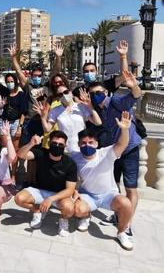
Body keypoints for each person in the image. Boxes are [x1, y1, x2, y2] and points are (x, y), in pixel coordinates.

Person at [87, 69, 142, 237]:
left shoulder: (116, 101)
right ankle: (118, 216)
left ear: (105, 92)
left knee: (130, 188)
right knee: (115, 186)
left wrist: (134, 86)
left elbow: (135, 96)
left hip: (130, 150)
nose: (96, 95)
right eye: (93, 94)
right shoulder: (99, 109)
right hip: (115, 151)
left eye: (99, 92)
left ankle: (127, 224)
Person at [72, 112, 134, 250]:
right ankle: (86, 216)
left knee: (126, 204)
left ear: (97, 143)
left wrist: (124, 129)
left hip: (108, 195)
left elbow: (122, 144)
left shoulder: (106, 153)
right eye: (83, 143)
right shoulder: (74, 157)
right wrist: (75, 190)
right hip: (88, 195)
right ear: (78, 144)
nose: (86, 145)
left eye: (90, 142)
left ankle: (122, 232)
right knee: (77, 209)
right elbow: (70, 177)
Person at [14, 131, 77, 237]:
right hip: (39, 190)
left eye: (61, 144)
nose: (57, 146)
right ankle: (37, 211)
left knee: (69, 208)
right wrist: (31, 144)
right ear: (49, 143)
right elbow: (21, 155)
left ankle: (63, 221)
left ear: (65, 146)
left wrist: (51, 199)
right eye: (54, 143)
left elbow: (70, 190)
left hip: (58, 194)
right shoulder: (41, 153)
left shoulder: (70, 164)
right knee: (19, 198)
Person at [8, 42, 62, 146]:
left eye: (39, 75)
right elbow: (18, 72)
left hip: (44, 121)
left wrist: (58, 57)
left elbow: (56, 71)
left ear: (42, 76)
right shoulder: (28, 86)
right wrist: (14, 57)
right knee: (28, 147)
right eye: (34, 75)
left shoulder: (47, 85)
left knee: (42, 150)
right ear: (31, 76)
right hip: (30, 122)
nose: (37, 77)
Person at [35, 86, 102, 153]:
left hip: (82, 147)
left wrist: (91, 107)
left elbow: (98, 122)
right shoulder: (55, 110)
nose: (64, 95)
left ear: (71, 93)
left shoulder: (81, 107)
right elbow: (47, 129)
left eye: (66, 92)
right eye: (60, 94)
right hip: (65, 149)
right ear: (57, 98)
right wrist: (43, 118)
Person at [0, 73, 27, 139]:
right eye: (8, 82)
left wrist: (20, 127)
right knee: (4, 146)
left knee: (15, 147)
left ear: (15, 82)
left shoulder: (21, 95)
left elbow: (23, 112)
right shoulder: (5, 92)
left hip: (16, 123)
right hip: (4, 122)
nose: (10, 83)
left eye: (11, 81)